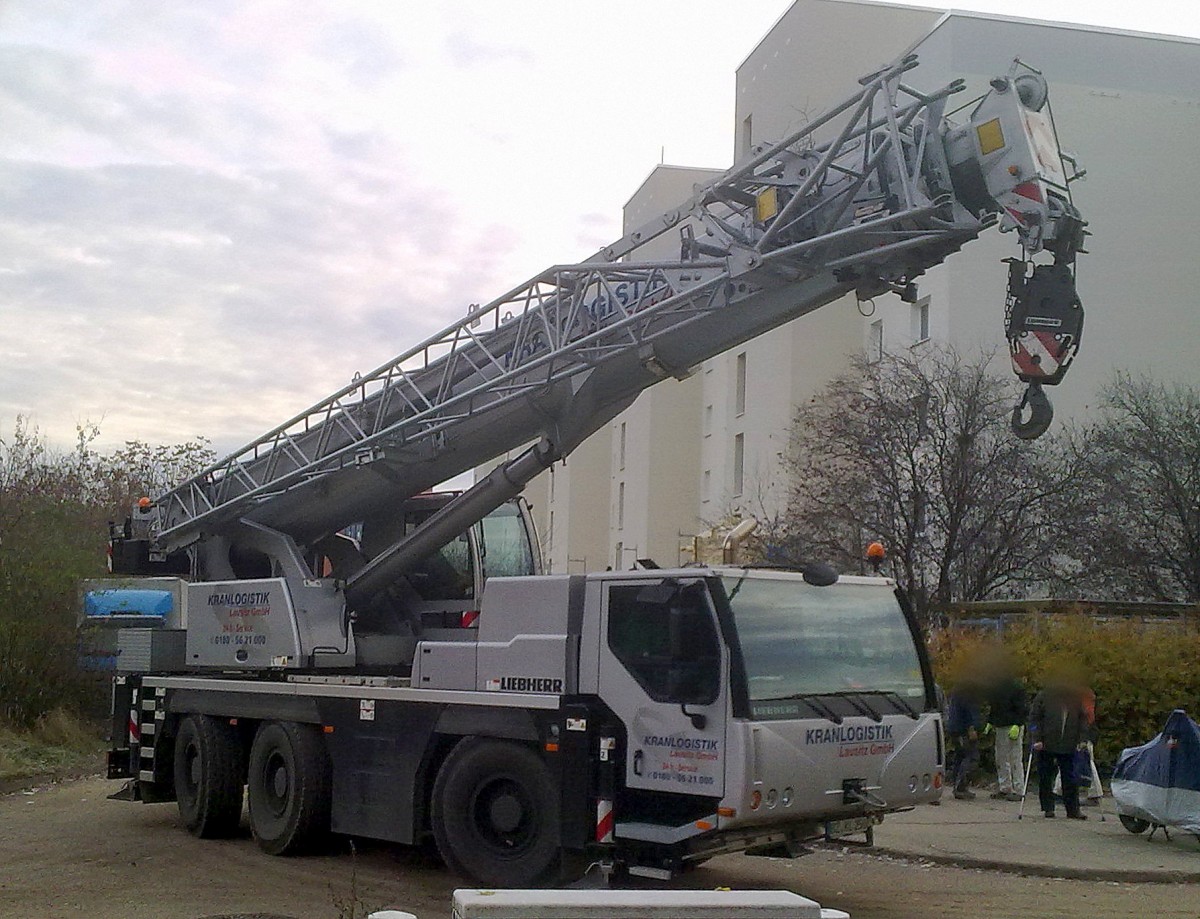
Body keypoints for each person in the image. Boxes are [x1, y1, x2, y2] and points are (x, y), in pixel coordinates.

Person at [1028, 672, 1094, 819]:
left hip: (1069, 744)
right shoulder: (1044, 696)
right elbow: (1034, 719)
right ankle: (1048, 807)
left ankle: (1072, 809)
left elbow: (1083, 720)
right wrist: (1036, 738)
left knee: (1070, 778)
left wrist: (1083, 739)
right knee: (1045, 776)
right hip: (1046, 744)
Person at [983, 650, 1028, 802]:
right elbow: (995, 707)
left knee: (1014, 757)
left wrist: (1018, 724)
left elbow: (1022, 708)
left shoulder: (1016, 687)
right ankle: (1005, 787)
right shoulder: (997, 687)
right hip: (1001, 725)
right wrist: (990, 722)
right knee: (1001, 758)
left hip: (1012, 726)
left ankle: (1019, 789)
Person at [945, 681, 985, 800]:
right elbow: (969, 709)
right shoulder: (967, 689)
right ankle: (960, 786)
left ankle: (958, 785)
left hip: (955, 728)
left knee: (960, 756)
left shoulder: (958, 687)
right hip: (963, 729)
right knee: (970, 756)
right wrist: (971, 727)